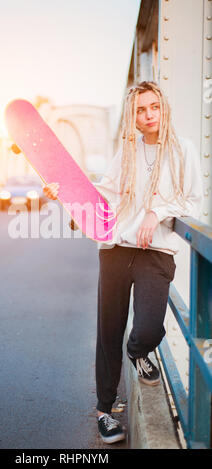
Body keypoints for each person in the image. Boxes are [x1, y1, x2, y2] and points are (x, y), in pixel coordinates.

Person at [42, 81, 203, 444]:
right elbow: (104, 194)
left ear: (164, 109)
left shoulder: (183, 152)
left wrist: (156, 212)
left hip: (155, 252)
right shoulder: (126, 153)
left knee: (146, 328)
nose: (148, 116)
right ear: (133, 116)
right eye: (140, 110)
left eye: (154, 108)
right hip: (115, 247)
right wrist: (62, 193)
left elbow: (194, 203)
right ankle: (105, 410)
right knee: (108, 331)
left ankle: (138, 352)